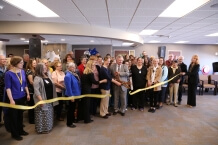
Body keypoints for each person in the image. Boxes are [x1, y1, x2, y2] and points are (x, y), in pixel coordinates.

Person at [4, 56, 30, 141]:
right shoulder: (8, 73)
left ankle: (20, 130)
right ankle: (15, 133)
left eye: (22, 62)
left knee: (20, 115)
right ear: (15, 64)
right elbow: (8, 88)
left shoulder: (22, 72)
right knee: (13, 117)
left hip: (22, 96)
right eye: (21, 63)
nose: (22, 64)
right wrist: (11, 99)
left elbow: (25, 84)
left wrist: (28, 94)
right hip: (13, 98)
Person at [33, 63, 58, 134]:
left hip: (49, 99)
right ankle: (41, 129)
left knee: (48, 114)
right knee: (42, 115)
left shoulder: (47, 76)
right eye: (43, 68)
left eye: (45, 67)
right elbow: (36, 90)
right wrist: (41, 101)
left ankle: (48, 128)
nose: (45, 68)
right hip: (42, 99)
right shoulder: (37, 78)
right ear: (39, 69)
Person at [64, 62, 81, 128]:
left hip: (76, 94)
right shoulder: (68, 76)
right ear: (69, 68)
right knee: (71, 109)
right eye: (72, 67)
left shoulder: (74, 74)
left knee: (73, 108)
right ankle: (69, 123)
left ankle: (72, 120)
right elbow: (68, 87)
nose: (74, 68)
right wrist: (71, 96)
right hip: (71, 95)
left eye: (74, 67)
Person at [26, 59, 37, 124]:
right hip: (31, 91)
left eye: (36, 63)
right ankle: (31, 120)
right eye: (34, 63)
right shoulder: (29, 71)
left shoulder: (35, 70)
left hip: (35, 90)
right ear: (30, 64)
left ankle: (33, 118)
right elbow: (31, 82)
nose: (35, 64)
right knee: (31, 106)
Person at [0, 55, 7, 125]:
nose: (4, 60)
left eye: (5, 59)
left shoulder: (6, 68)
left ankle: (6, 122)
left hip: (5, 91)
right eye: (2, 59)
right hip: (0, 92)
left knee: (6, 108)